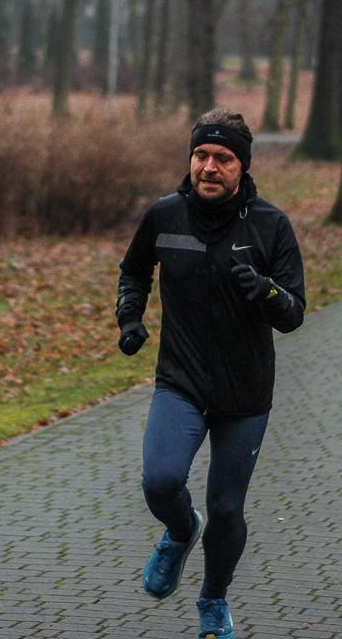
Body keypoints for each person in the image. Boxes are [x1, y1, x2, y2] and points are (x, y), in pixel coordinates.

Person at [116, 109, 305, 639]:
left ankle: (213, 604)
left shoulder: (271, 225)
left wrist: (265, 291)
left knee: (227, 509)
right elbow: (135, 270)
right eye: (201, 155)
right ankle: (180, 530)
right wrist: (130, 317)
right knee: (161, 481)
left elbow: (293, 312)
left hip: (244, 393)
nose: (209, 167)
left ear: (242, 167)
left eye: (223, 159)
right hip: (180, 381)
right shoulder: (165, 215)